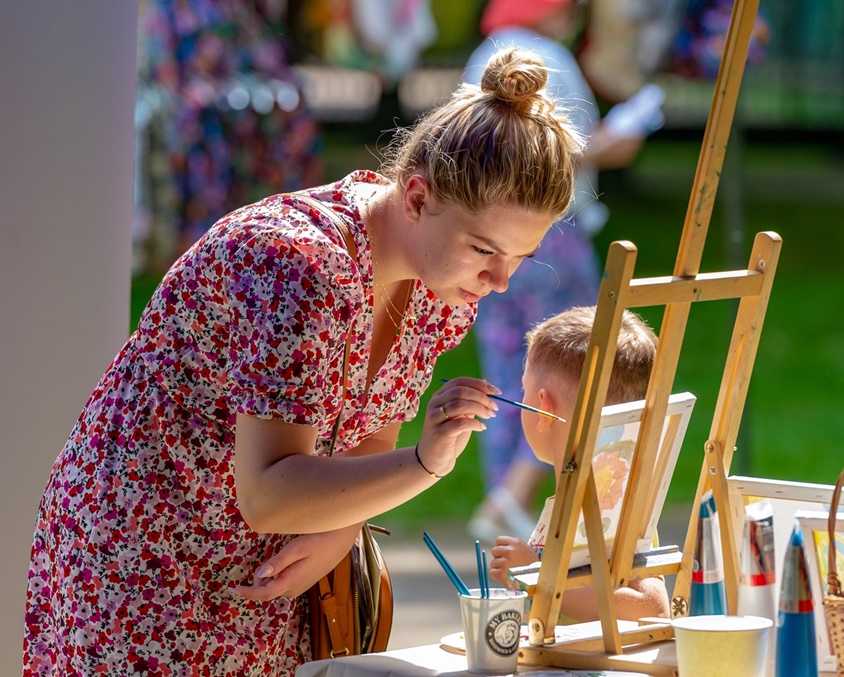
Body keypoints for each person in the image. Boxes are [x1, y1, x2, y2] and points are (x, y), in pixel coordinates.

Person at [23, 46, 584, 676]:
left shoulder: (443, 283)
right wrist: (426, 464)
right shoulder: (299, 264)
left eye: (520, 257)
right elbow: (269, 492)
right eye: (485, 249)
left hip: (262, 571)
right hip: (141, 556)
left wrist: (342, 527)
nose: (500, 280)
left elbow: (367, 448)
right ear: (418, 198)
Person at [463, 0, 661, 543]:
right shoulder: (548, 57)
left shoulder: (485, 56)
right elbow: (565, 150)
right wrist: (616, 143)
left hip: (489, 233)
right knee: (580, 363)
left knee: (512, 367)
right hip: (553, 231)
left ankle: (507, 498)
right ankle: (521, 500)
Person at [487, 306, 671, 622]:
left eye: (524, 391)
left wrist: (536, 577)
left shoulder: (610, 504)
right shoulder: (575, 497)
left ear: (543, 407)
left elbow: (652, 608)